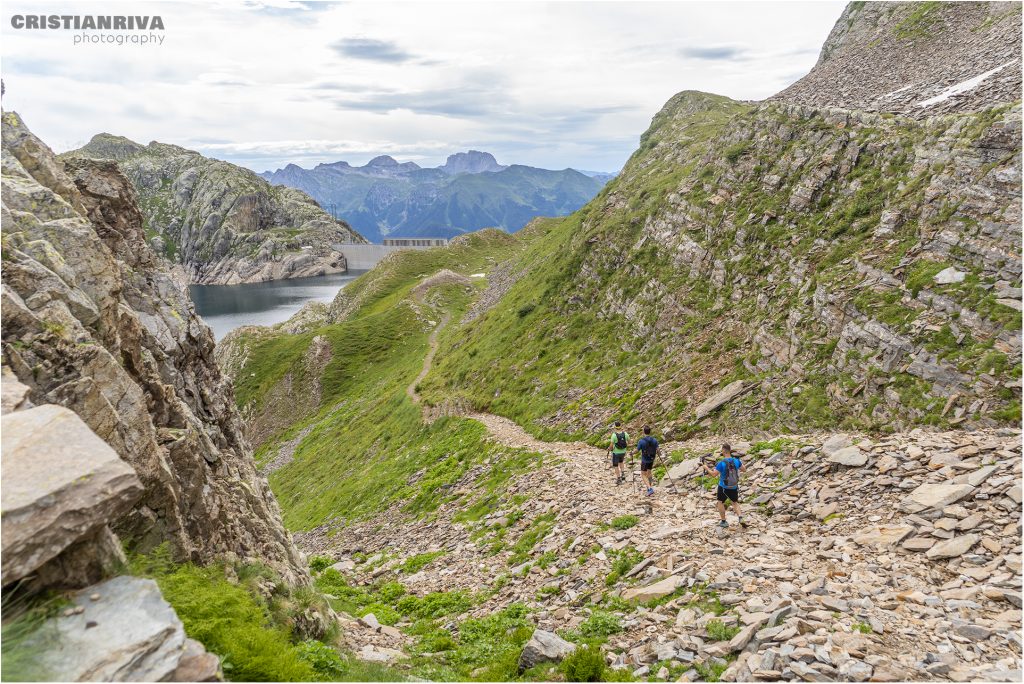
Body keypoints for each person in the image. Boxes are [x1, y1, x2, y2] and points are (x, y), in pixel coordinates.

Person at [703, 443, 743, 528]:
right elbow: (744, 469)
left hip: (723, 487)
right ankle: (740, 517)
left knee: (720, 502)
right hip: (734, 486)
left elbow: (714, 474)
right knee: (735, 503)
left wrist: (706, 468)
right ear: (730, 450)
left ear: (723, 451)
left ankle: (724, 521)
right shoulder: (736, 460)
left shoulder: (721, 463)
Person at [636, 425, 659, 496]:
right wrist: (659, 454)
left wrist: (631, 453)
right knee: (649, 472)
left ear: (644, 432)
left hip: (645, 460)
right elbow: (658, 450)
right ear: (650, 431)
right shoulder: (654, 440)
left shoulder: (641, 441)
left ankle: (649, 488)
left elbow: (637, 450)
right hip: (652, 458)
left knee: (643, 474)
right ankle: (650, 486)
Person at [607, 421, 629, 485]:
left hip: (616, 452)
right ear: (621, 426)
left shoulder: (614, 435)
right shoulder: (625, 434)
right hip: (623, 452)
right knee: (621, 462)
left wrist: (609, 449)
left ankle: (618, 479)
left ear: (615, 427)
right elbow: (629, 441)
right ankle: (623, 474)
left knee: (616, 465)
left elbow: (611, 445)